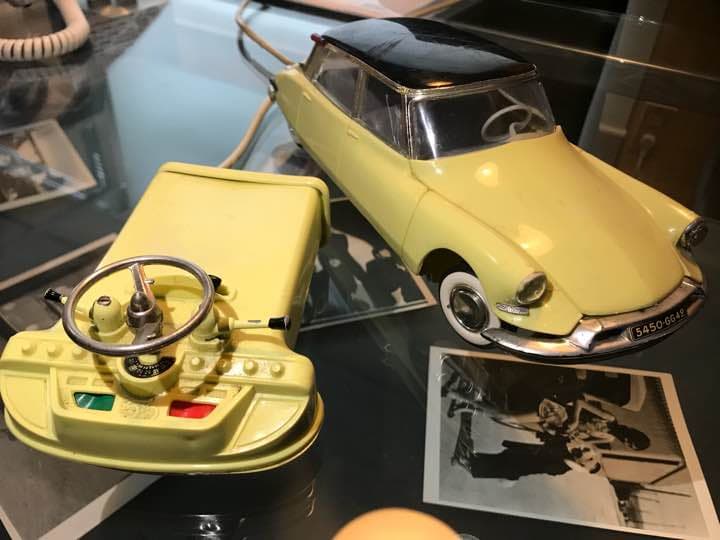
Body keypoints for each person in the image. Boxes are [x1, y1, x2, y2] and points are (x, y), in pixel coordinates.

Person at [451, 412, 602, 481]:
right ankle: (465, 460)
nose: (582, 450)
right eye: (585, 450)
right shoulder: (566, 450)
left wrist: (576, 465)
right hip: (519, 456)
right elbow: (551, 440)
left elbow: (549, 468)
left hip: (519, 466)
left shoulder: (563, 467)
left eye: (585, 455)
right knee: (493, 460)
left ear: (581, 464)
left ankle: (461, 463)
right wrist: (566, 439)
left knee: (488, 467)